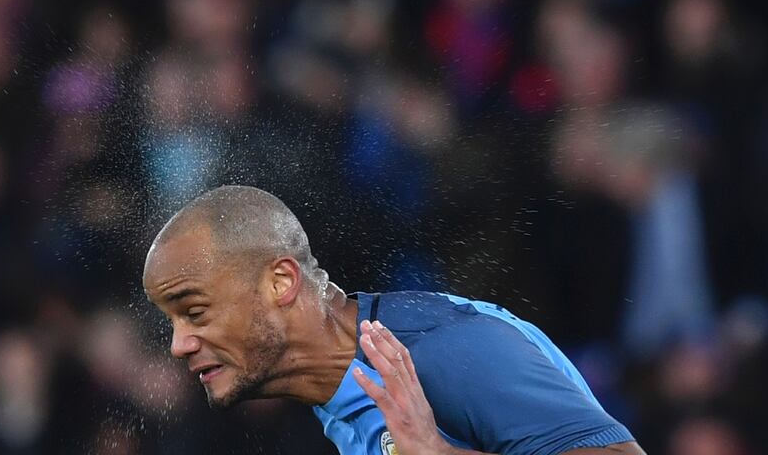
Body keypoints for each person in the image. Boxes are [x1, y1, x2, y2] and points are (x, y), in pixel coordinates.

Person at [142, 185, 645, 455]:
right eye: (172, 322)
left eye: (194, 312)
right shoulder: (334, 400)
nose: (179, 344)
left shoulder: (444, 348)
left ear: (280, 283)